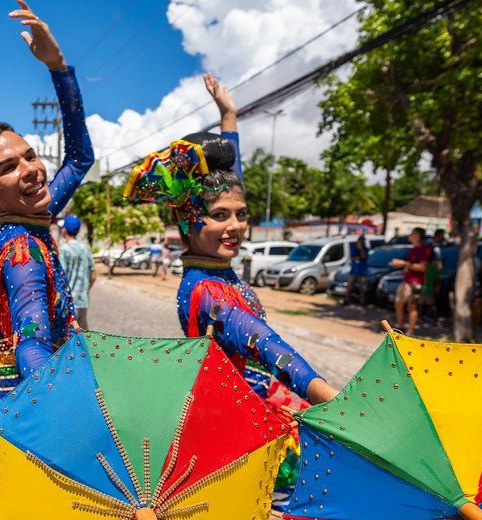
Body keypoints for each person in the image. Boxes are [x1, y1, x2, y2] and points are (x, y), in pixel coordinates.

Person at [124, 73, 338, 406]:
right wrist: (330, 397)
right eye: (220, 215)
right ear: (186, 221)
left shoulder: (219, 271)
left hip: (255, 402)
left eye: (242, 214)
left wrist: (229, 117)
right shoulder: (207, 291)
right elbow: (265, 344)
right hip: (239, 415)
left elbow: (232, 180)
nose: (236, 226)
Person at [0, 0, 93, 400]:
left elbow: (79, 159)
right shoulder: (23, 251)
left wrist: (58, 67)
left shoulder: (34, 217)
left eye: (30, 156)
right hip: (43, 406)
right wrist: (65, 403)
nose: (32, 170)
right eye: (8, 168)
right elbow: (31, 343)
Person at [390, 227, 432, 334]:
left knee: (412, 306)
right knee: (399, 304)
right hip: (407, 281)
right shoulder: (414, 249)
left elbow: (423, 267)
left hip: (415, 282)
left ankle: (410, 331)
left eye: (412, 233)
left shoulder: (423, 249)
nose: (409, 235)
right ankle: (400, 328)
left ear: (417, 235)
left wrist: (403, 263)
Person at [58, 215, 95, 329]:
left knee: (68, 335)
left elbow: (60, 277)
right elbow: (93, 275)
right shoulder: (85, 248)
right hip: (83, 301)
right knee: (82, 334)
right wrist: (85, 289)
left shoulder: (63, 250)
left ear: (64, 230)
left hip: (68, 302)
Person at [346, 235, 368, 305]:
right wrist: (358, 257)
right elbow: (352, 257)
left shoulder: (365, 249)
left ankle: (362, 301)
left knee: (362, 288)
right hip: (353, 271)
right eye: (359, 241)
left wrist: (361, 249)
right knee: (349, 286)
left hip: (362, 271)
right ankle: (347, 300)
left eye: (362, 242)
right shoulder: (354, 248)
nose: (360, 243)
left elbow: (364, 256)